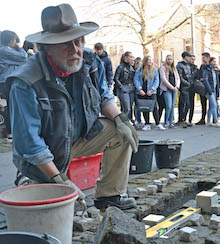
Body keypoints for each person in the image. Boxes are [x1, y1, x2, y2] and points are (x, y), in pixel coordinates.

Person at [7, 4, 139, 209]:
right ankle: (28, 178)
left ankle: (108, 197)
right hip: (44, 153)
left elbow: (103, 94)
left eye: (78, 42)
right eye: (65, 44)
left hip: (79, 138)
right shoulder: (26, 82)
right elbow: (30, 143)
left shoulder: (89, 61)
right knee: (43, 209)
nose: (75, 50)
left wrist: (121, 119)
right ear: (47, 48)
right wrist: (59, 181)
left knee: (120, 132)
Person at [0, 30, 28, 143]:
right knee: (11, 107)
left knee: (13, 106)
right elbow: (23, 57)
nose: (15, 42)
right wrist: (19, 47)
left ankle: (12, 133)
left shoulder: (5, 51)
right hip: (7, 82)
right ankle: (10, 134)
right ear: (11, 40)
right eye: (14, 40)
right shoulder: (4, 50)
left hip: (8, 81)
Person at [134, 55, 165, 131]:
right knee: (144, 108)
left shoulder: (154, 70)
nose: (150, 61)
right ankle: (147, 123)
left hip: (151, 92)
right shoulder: (139, 70)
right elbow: (136, 79)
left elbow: (156, 80)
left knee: (154, 107)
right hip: (142, 91)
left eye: (151, 60)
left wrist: (152, 89)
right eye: (148, 60)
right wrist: (140, 89)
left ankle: (158, 123)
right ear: (145, 61)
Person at [159, 55, 180, 128]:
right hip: (167, 89)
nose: (169, 60)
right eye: (168, 59)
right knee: (168, 105)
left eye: (171, 59)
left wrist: (176, 86)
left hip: (174, 89)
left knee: (172, 106)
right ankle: (166, 121)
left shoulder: (174, 68)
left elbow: (177, 78)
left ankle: (171, 122)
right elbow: (163, 79)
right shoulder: (163, 68)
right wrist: (171, 87)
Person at [114, 52, 135, 121]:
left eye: (133, 57)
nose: (132, 59)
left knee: (130, 108)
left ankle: (127, 122)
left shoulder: (131, 67)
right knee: (127, 108)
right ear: (126, 58)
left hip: (131, 88)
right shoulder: (120, 67)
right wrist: (121, 87)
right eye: (131, 57)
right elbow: (116, 78)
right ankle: (120, 122)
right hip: (124, 88)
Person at [203, 57, 220, 127]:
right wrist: (209, 91)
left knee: (211, 106)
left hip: (214, 90)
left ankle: (208, 121)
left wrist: (217, 92)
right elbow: (205, 81)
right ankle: (216, 121)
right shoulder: (207, 70)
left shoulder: (216, 70)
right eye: (213, 61)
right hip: (209, 90)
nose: (214, 63)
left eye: (215, 62)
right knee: (214, 105)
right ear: (210, 62)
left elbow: (217, 82)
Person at [176, 51, 193, 128]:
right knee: (185, 103)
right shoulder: (180, 65)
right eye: (189, 57)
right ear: (186, 57)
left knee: (186, 104)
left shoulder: (188, 65)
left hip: (188, 87)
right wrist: (187, 83)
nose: (189, 58)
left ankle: (183, 119)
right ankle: (182, 120)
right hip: (184, 87)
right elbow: (180, 77)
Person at [197, 52, 211, 125]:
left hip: (210, 87)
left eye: (204, 57)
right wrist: (200, 79)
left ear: (207, 58)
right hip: (203, 88)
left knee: (212, 104)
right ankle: (203, 119)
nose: (202, 59)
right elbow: (199, 75)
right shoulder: (202, 66)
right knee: (203, 104)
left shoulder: (210, 66)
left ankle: (212, 118)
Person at [188, 54, 198, 125]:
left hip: (193, 87)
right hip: (186, 87)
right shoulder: (186, 67)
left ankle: (190, 119)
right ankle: (183, 119)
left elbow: (197, 76)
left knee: (192, 104)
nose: (193, 61)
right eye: (192, 59)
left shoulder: (196, 68)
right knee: (186, 104)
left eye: (194, 59)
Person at [133, 58, 143, 126]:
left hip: (139, 90)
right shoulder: (133, 72)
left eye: (140, 64)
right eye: (137, 64)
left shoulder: (141, 72)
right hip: (134, 90)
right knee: (136, 105)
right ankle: (137, 118)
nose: (138, 66)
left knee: (139, 105)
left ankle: (139, 119)